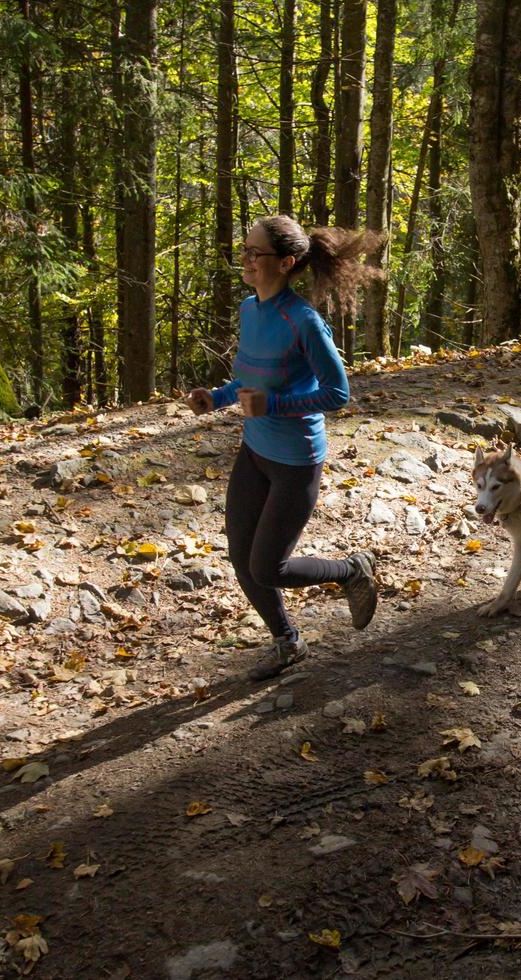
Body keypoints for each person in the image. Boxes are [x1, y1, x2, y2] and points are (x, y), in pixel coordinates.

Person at [186, 216, 382, 680]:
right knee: (242, 557)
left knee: (268, 567)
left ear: (287, 263)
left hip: (296, 461)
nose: (247, 260)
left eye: (257, 253)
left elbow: (338, 393)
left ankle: (350, 571)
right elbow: (252, 380)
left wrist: (273, 404)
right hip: (255, 451)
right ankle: (287, 641)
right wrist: (217, 398)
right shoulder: (249, 309)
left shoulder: (305, 324)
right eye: (245, 250)